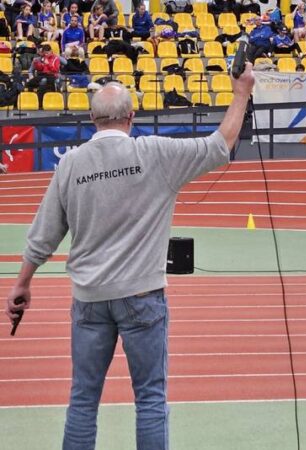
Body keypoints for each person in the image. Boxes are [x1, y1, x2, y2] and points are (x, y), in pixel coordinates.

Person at [5, 62, 255, 449]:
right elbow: (221, 143)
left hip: (89, 299)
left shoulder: (70, 163)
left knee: (83, 400)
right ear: (132, 117)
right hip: (142, 296)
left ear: (92, 119)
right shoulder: (155, 153)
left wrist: (22, 283)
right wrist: (240, 93)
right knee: (150, 400)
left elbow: (44, 234)